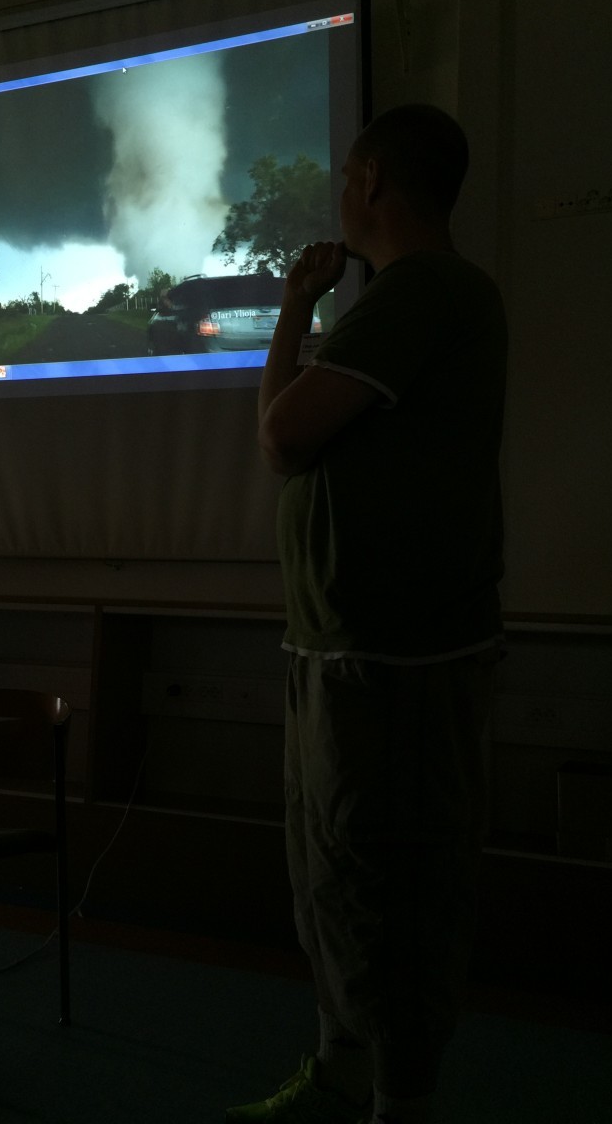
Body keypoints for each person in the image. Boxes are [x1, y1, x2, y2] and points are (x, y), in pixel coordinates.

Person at [226, 105, 507, 1124]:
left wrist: (296, 310)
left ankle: (396, 1103)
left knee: (391, 892)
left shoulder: (423, 290)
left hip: (393, 666)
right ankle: (343, 1076)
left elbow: (282, 438)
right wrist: (300, 307)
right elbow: (290, 436)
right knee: (334, 882)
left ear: (374, 179)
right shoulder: (407, 299)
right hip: (342, 652)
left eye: (347, 177)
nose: (341, 195)